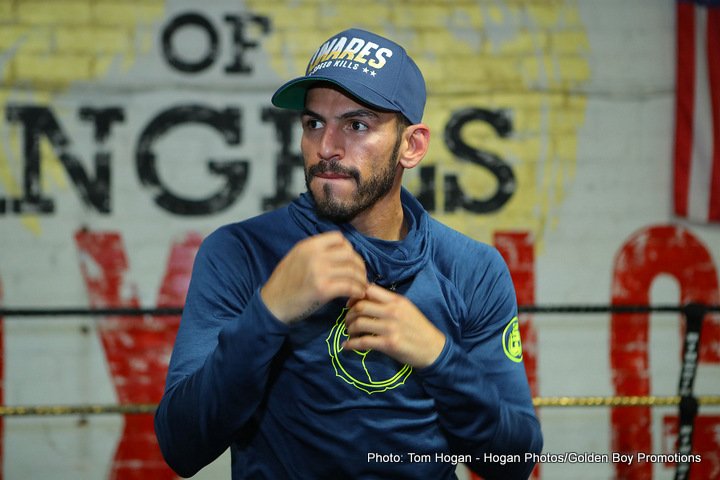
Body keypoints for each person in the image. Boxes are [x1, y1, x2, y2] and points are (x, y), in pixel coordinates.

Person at [154, 28, 542, 479]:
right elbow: (182, 447)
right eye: (313, 123)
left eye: (356, 125)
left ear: (411, 146)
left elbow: (513, 462)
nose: (326, 147)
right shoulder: (240, 252)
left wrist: (441, 359)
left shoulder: (470, 268)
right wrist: (268, 313)